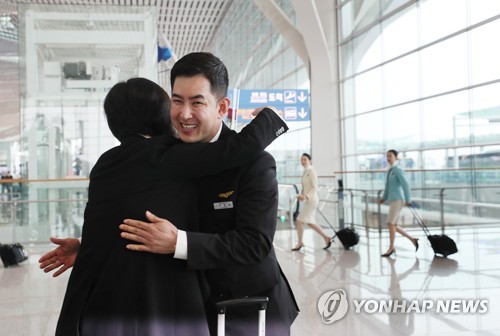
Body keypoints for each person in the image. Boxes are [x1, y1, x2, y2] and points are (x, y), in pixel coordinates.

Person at [42, 77, 288, 335]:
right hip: (157, 305)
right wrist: (269, 118)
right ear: (161, 115)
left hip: (96, 306)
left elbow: (121, 214)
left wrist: (91, 249)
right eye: (175, 102)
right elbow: (239, 148)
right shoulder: (165, 153)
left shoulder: (105, 163)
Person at [378, 149, 419, 257]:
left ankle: (391, 247)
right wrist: (384, 198)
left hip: (398, 200)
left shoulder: (398, 169)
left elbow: (405, 184)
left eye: (390, 156)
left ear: (396, 157)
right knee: (393, 224)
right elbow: (387, 186)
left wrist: (408, 200)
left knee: (390, 223)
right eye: (387, 156)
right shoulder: (391, 170)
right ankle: (413, 240)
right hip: (392, 199)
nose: (388, 158)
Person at [291, 153, 333, 251]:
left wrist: (305, 196)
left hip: (312, 200)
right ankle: (326, 238)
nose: (303, 161)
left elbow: (315, 188)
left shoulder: (312, 171)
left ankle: (300, 243)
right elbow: (306, 187)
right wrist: (302, 195)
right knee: (310, 223)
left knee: (299, 220)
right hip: (308, 200)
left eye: (305, 159)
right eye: (301, 160)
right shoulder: (306, 171)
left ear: (310, 160)